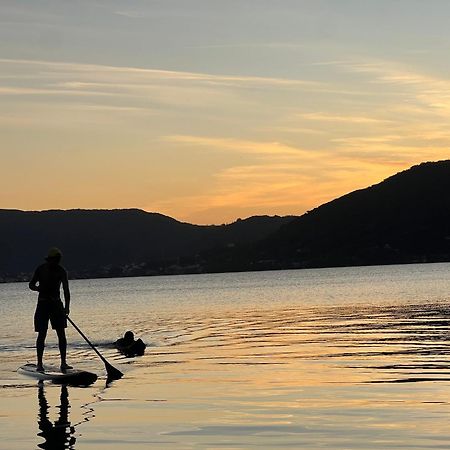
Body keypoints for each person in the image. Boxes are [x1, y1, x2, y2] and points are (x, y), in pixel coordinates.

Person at [29, 247, 72, 372]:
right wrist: (38, 289)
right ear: (50, 259)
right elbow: (31, 284)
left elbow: (66, 290)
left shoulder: (61, 271)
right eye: (55, 260)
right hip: (43, 304)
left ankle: (63, 362)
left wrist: (67, 307)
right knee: (42, 334)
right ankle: (39, 364)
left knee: (61, 334)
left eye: (58, 260)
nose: (57, 262)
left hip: (56, 305)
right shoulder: (41, 269)